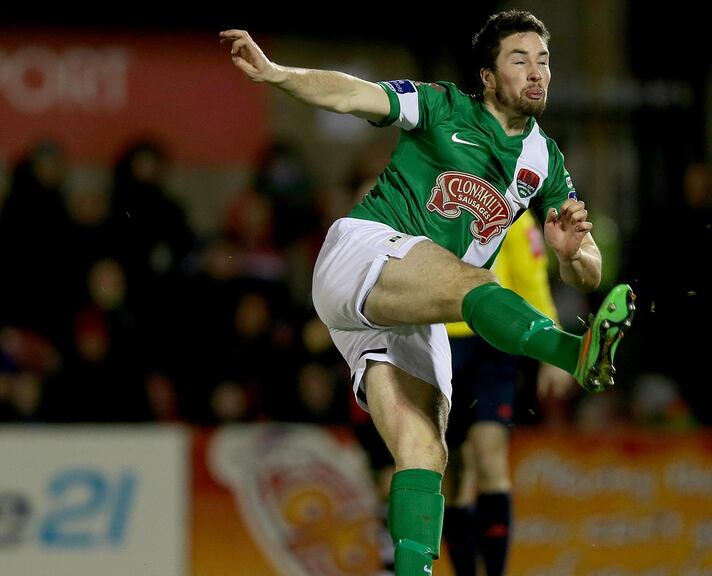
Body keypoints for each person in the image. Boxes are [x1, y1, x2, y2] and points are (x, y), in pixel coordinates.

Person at [221, 10, 634, 576]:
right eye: (519, 60)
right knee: (477, 282)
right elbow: (354, 94)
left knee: (425, 450)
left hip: (407, 310)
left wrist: (570, 255)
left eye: (543, 61)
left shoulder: (545, 160)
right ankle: (573, 352)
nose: (536, 72)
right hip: (363, 254)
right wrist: (276, 73)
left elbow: (588, 271)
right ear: (487, 76)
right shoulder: (442, 106)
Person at [441, 209, 575, 576]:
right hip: (437, 338)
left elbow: (531, 280)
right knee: (454, 471)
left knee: (489, 454)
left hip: (491, 341)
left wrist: (553, 349)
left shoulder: (512, 212)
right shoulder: (429, 197)